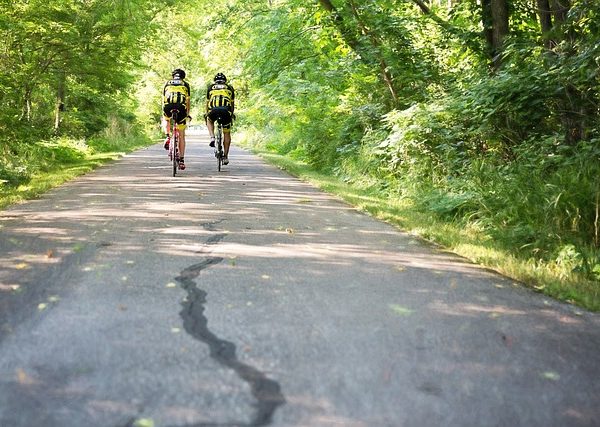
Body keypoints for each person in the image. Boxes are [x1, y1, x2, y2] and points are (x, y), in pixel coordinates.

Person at [162, 68, 191, 170]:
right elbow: (187, 102)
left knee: (166, 119)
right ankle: (182, 160)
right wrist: (187, 114)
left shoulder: (167, 83)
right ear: (183, 76)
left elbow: (164, 99)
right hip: (181, 108)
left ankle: (168, 137)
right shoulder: (185, 84)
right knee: (182, 135)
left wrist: (164, 111)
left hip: (168, 107)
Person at [205, 72, 235, 165]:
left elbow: (207, 103)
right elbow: (232, 104)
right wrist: (232, 114)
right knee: (227, 132)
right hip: (226, 111)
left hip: (213, 110)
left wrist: (207, 113)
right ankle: (225, 156)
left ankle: (212, 137)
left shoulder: (211, 88)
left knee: (209, 120)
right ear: (224, 81)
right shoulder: (229, 88)